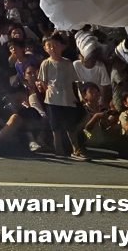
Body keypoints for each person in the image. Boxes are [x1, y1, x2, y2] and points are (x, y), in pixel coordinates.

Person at [38, 33, 89, 161]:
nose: (53, 48)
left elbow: (74, 81)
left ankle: (75, 149)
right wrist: (46, 89)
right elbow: (43, 82)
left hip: (67, 99)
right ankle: (58, 149)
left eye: (56, 45)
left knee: (70, 125)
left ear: (62, 47)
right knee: (56, 126)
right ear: (45, 48)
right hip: (52, 99)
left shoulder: (68, 63)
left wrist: (78, 97)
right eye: (49, 46)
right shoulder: (46, 63)